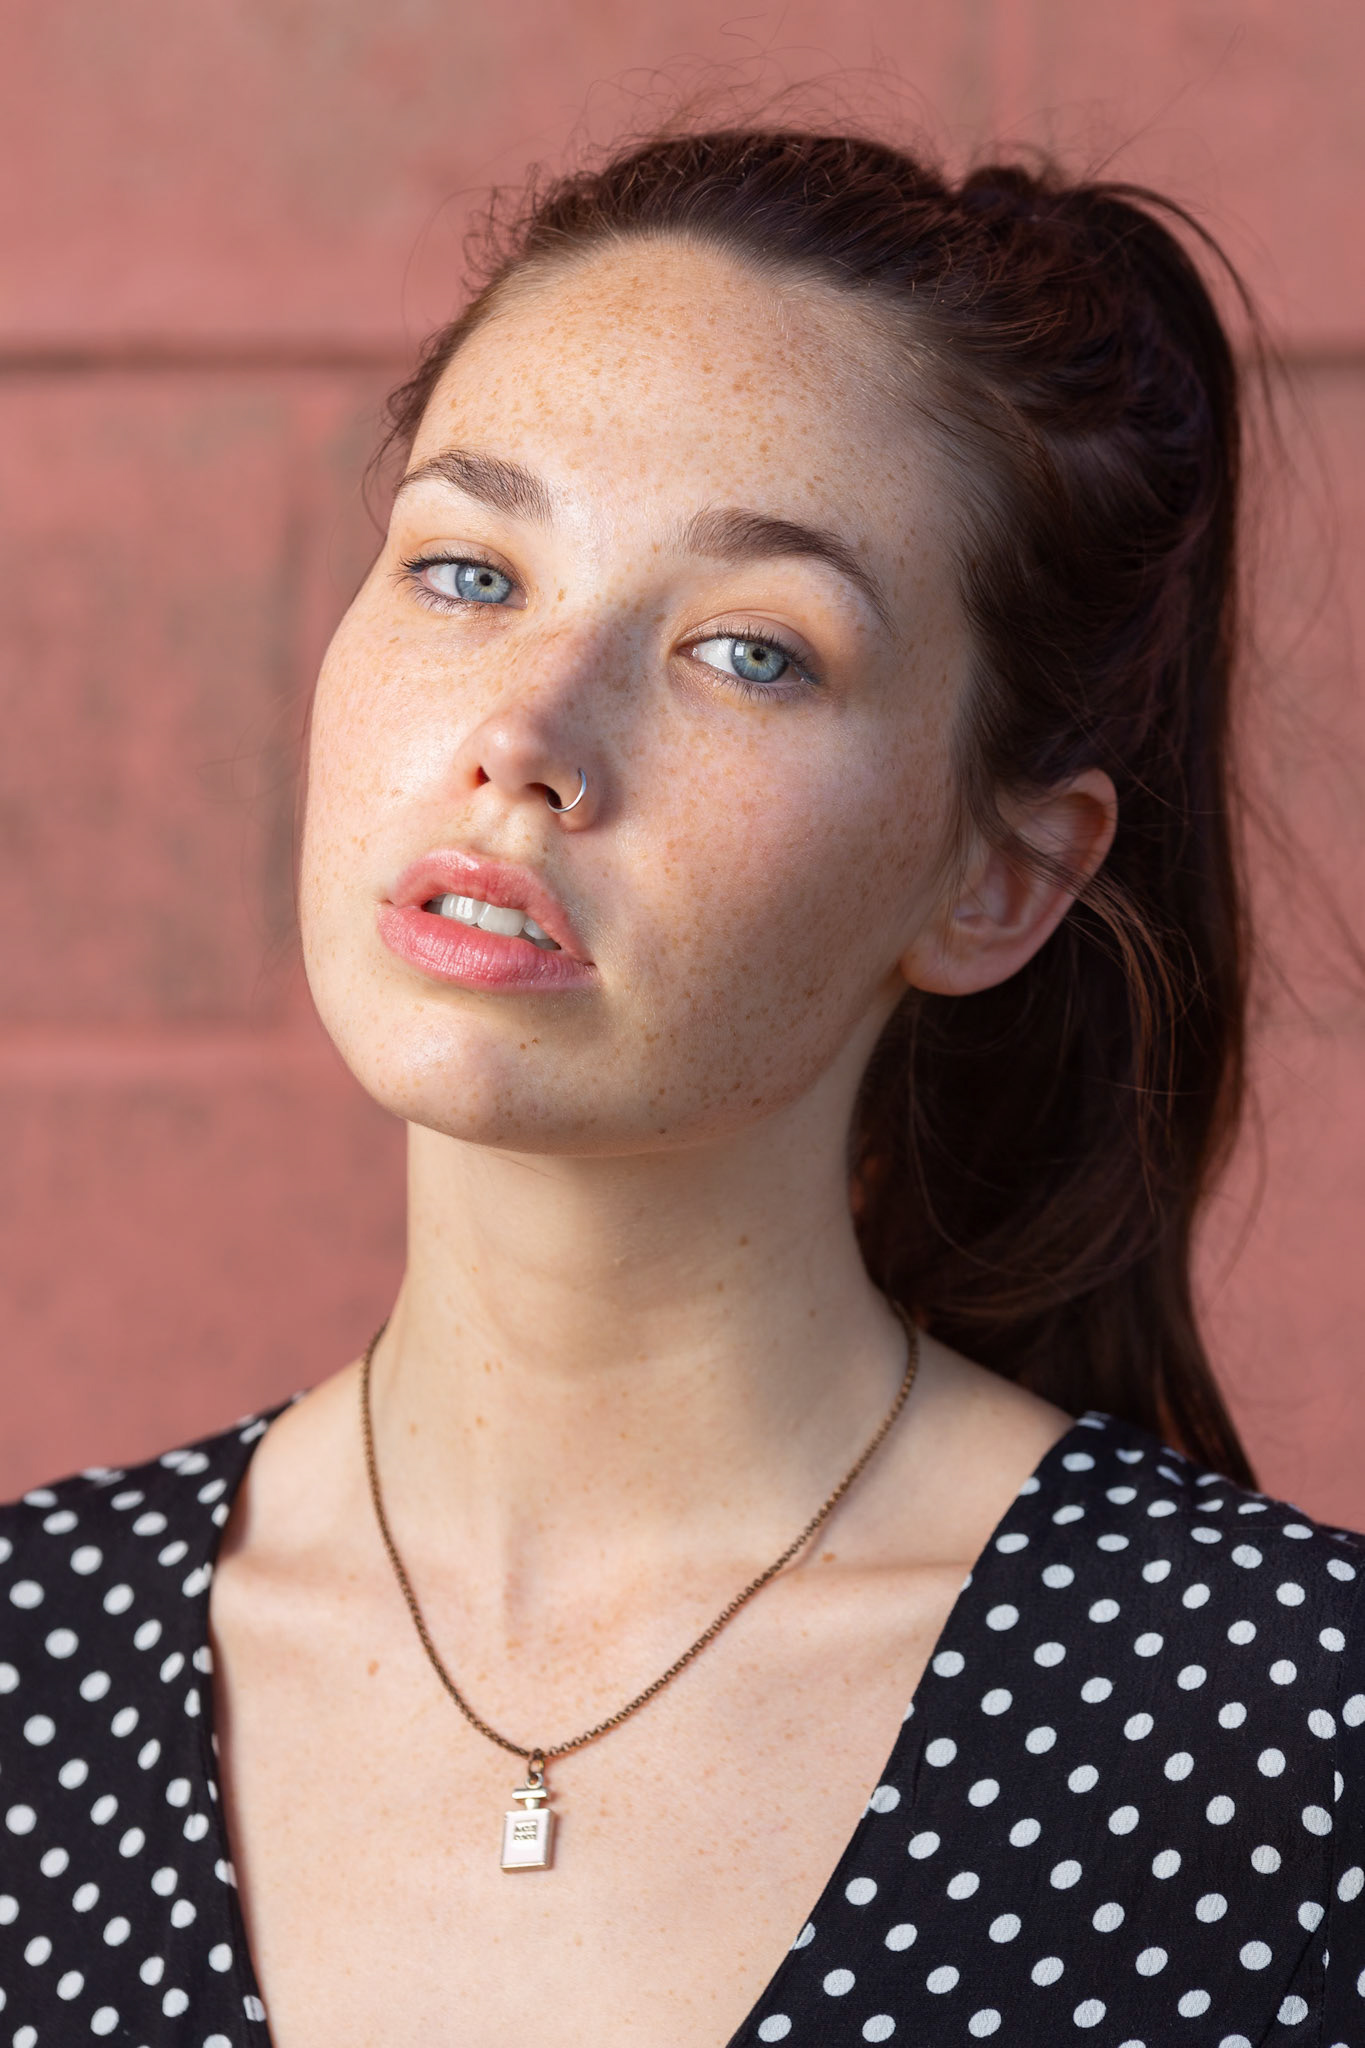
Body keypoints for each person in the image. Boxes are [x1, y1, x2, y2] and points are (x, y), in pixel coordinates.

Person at [2, 124, 1362, 2048]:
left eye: (746, 649)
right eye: (467, 570)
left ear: (999, 880)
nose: (525, 737)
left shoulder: (1289, 1741)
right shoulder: (28, 1670)